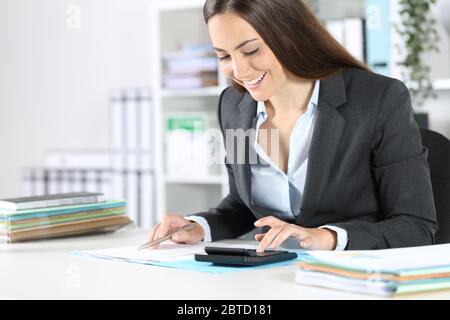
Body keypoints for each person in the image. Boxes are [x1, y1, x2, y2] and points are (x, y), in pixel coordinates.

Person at [148, 0, 437, 252]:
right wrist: (197, 226)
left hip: (355, 277)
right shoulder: (236, 107)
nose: (239, 72)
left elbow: (415, 225)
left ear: (289, 34)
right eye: (224, 56)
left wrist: (326, 238)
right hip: (279, 276)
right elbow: (242, 206)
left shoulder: (377, 99)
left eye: (250, 51)